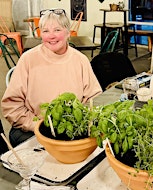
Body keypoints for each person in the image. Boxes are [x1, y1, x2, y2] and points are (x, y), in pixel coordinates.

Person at [1, 9, 102, 147]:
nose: (51, 36)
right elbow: (11, 106)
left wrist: (78, 123)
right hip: (32, 129)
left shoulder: (80, 60)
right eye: (45, 31)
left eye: (57, 30)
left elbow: (94, 99)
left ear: (68, 32)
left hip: (71, 129)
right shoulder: (28, 59)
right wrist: (38, 124)